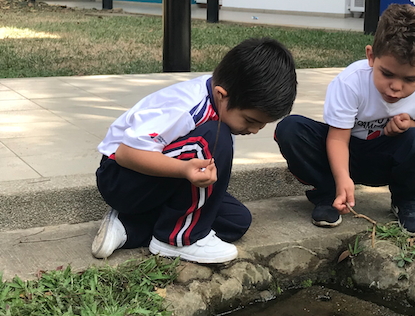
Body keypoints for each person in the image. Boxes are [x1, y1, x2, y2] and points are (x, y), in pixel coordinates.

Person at [92, 37, 297, 263]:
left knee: (235, 220)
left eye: (262, 124)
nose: (256, 130)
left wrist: (187, 171)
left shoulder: (219, 109)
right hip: (122, 180)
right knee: (214, 138)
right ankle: (181, 240)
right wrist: (183, 169)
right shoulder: (187, 106)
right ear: (221, 94)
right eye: (250, 120)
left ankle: (128, 228)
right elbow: (125, 154)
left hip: (157, 183)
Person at [274, 4, 415, 236]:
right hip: (344, 154)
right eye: (387, 74)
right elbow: (337, 139)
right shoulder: (351, 82)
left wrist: (409, 127)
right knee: (290, 129)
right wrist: (342, 178)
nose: (395, 87)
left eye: (410, 79)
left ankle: (407, 201)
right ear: (371, 56)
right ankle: (329, 193)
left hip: (387, 161)